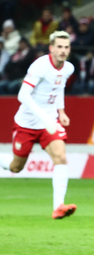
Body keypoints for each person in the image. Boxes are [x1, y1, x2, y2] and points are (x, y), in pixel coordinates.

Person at [0, 31, 77, 219]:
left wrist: (61, 111)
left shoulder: (68, 68)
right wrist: (44, 116)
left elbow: (58, 88)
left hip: (49, 122)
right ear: (51, 48)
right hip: (27, 123)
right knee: (16, 167)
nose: (63, 51)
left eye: (66, 47)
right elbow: (22, 95)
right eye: (59, 46)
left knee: (60, 156)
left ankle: (58, 206)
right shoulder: (40, 66)